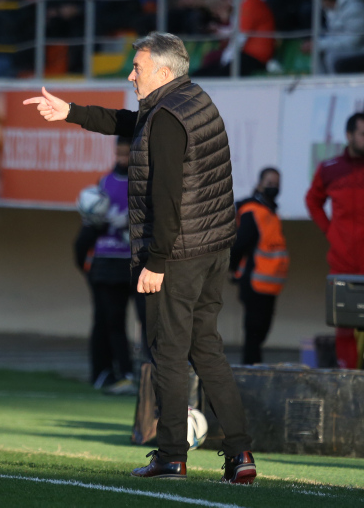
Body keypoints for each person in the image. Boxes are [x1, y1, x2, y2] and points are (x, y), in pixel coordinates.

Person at [23, 32, 256, 483]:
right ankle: (240, 454)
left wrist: (156, 261)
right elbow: (132, 124)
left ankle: (171, 454)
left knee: (167, 354)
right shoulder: (190, 99)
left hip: (179, 254)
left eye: (138, 68)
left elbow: (167, 198)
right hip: (210, 249)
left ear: (164, 73)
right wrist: (70, 112)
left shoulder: (167, 116)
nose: (131, 75)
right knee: (206, 349)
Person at [306, 113, 364, 369]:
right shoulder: (329, 169)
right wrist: (330, 231)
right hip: (342, 258)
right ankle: (346, 377)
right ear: (349, 136)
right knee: (343, 324)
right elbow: (312, 201)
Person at [73, 136, 138, 394]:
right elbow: (91, 226)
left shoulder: (147, 181)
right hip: (107, 263)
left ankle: (147, 374)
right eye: (119, 154)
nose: (122, 160)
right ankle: (114, 373)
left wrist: (131, 222)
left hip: (137, 262)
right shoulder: (104, 182)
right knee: (111, 321)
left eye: (127, 154)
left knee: (150, 321)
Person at [229, 167, 289, 365]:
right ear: (259, 184)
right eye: (269, 183)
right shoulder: (252, 211)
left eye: (276, 184)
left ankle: (254, 369)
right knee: (253, 333)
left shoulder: (271, 212)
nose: (273, 187)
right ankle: (250, 372)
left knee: (260, 332)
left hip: (270, 284)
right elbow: (241, 243)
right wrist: (232, 268)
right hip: (254, 281)